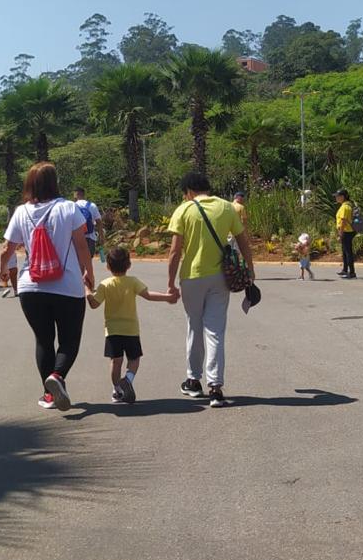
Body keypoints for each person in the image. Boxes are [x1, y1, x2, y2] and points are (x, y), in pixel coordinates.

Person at [0, 161, 93, 412]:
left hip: (31, 287)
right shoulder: (69, 208)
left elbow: (7, 249)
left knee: (43, 340)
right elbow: (81, 245)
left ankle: (49, 395)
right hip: (67, 286)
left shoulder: (21, 211)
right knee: (69, 340)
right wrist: (89, 273)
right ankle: (57, 376)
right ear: (54, 182)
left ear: (30, 183)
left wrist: (2, 270)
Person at [166, 171, 255, 408]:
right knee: (215, 331)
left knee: (194, 327)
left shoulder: (184, 210)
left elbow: (175, 251)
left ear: (189, 191)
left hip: (192, 277)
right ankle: (215, 388)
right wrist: (250, 270)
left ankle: (193, 381)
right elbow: (243, 241)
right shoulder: (227, 207)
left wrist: (170, 283)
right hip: (220, 278)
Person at [87, 245, 178, 404]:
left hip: (113, 331)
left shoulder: (105, 284)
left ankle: (117, 390)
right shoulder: (133, 282)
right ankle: (127, 379)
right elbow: (148, 295)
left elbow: (94, 304)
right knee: (134, 359)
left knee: (115, 362)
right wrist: (167, 297)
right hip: (131, 330)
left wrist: (87, 290)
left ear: (108, 266)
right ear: (129, 265)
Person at [72, 187, 104, 259]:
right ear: (83, 194)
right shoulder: (92, 205)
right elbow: (99, 222)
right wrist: (101, 236)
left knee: (79, 260)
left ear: (76, 194)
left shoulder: (72, 206)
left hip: (77, 238)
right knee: (88, 259)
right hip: (90, 237)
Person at [335, 188, 356, 279]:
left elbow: (343, 221)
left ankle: (352, 272)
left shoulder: (345, 207)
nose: (336, 197)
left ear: (343, 197)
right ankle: (345, 270)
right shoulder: (347, 205)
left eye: (338, 196)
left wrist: (340, 234)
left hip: (346, 231)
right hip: (348, 231)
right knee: (345, 251)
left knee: (348, 252)